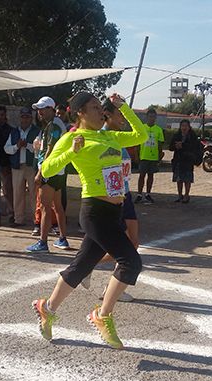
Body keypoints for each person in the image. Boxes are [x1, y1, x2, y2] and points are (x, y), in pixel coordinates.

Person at [32, 92, 148, 349]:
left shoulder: (108, 135)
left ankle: (47, 307)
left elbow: (141, 135)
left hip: (114, 212)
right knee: (131, 262)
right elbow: (47, 169)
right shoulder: (72, 137)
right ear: (80, 113)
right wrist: (71, 152)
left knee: (81, 267)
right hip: (94, 211)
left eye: (101, 107)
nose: (101, 112)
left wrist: (124, 107)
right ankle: (102, 315)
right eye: (95, 108)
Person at [79, 97, 140, 303]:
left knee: (131, 243)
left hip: (125, 195)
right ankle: (89, 271)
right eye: (119, 114)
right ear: (108, 115)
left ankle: (99, 276)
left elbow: (139, 134)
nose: (123, 118)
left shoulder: (119, 137)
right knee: (125, 246)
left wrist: (124, 106)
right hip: (109, 200)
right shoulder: (100, 137)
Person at [26, 96, 69, 252]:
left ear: (51, 109)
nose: (40, 112)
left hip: (50, 171)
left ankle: (43, 242)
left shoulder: (53, 125)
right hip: (58, 171)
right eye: (38, 109)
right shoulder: (53, 124)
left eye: (43, 109)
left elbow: (50, 150)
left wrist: (40, 172)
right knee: (57, 207)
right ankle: (63, 239)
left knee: (45, 207)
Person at [4, 107, 40, 226]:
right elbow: (7, 149)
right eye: (23, 117)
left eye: (27, 117)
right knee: (18, 194)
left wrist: (28, 145)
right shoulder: (14, 131)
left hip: (31, 166)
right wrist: (16, 146)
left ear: (31, 118)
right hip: (17, 166)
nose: (25, 119)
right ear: (20, 118)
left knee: (33, 194)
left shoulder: (36, 131)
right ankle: (18, 219)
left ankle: (37, 220)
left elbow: (39, 148)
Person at [135, 108, 164, 204]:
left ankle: (148, 193)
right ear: (147, 117)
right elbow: (137, 143)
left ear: (156, 118)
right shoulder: (142, 128)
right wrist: (136, 155)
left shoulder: (158, 130)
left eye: (153, 117)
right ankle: (139, 194)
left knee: (150, 175)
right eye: (150, 116)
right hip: (143, 156)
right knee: (141, 175)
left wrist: (160, 157)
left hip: (153, 157)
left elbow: (160, 145)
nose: (152, 118)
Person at [169, 119, 201, 203]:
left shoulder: (192, 136)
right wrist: (176, 146)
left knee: (187, 179)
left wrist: (183, 145)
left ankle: (186, 195)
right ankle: (180, 195)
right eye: (182, 126)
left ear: (189, 127)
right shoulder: (177, 135)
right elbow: (170, 147)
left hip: (188, 160)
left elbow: (194, 147)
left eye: (186, 126)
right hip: (178, 160)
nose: (184, 128)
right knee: (179, 179)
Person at [0, 105, 15, 224]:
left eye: (2, 115)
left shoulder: (10, 130)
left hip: (5, 164)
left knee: (7, 190)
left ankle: (12, 211)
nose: (0, 117)